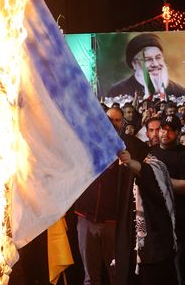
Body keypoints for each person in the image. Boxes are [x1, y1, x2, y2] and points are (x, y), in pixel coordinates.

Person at [114, 116, 177, 284]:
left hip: (154, 246)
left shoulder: (155, 164)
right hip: (127, 243)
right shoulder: (119, 170)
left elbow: (148, 173)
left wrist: (131, 162)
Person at [73, 107, 126, 285]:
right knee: (90, 276)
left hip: (113, 222)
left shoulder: (127, 147)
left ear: (123, 123)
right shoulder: (86, 143)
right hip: (86, 218)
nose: (113, 123)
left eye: (117, 120)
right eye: (109, 119)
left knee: (116, 274)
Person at [149, 114, 185, 285]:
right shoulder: (151, 153)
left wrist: (160, 177)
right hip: (157, 225)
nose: (165, 133)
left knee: (182, 272)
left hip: (181, 225)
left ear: (178, 133)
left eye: (170, 130)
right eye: (163, 129)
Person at [106, 33, 185, 98]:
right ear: (134, 64)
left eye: (158, 58)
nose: (155, 64)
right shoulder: (117, 92)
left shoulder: (179, 92)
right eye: (148, 59)